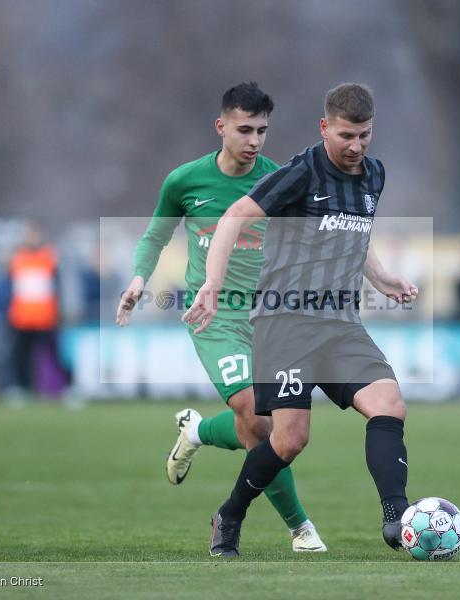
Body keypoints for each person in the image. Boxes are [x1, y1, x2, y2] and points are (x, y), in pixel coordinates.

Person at [183, 83, 418, 557]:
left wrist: (382, 277)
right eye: (347, 136)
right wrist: (211, 283)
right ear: (325, 127)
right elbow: (232, 218)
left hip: (340, 323)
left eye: (365, 136)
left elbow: (355, 234)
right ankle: (229, 515)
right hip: (285, 321)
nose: (356, 146)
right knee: (289, 440)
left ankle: (399, 518)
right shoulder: (300, 173)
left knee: (389, 404)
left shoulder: (374, 175)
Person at [117, 82, 326, 552]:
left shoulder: (278, 179)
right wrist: (137, 279)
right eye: (244, 129)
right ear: (221, 127)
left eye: (262, 131)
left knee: (258, 428)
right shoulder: (184, 181)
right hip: (215, 316)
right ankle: (300, 528)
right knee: (258, 417)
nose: (254, 141)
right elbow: (154, 236)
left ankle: (195, 431)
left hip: (271, 318)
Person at [7, 222, 62, 395]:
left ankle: (61, 388)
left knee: (52, 354)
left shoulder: (49, 257)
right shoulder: (17, 257)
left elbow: (58, 287)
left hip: (45, 317)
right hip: (21, 317)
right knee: (21, 355)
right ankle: (23, 387)